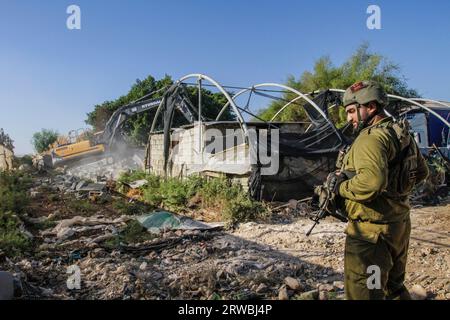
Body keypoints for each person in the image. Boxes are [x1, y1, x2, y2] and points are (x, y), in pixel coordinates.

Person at [335, 80, 429, 299]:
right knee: (394, 288)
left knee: (368, 292)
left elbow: (371, 183)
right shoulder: (400, 134)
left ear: (371, 107)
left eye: (351, 111)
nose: (348, 118)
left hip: (371, 239)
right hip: (398, 227)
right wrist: (396, 191)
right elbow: (421, 172)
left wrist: (340, 188)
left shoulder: (370, 139)